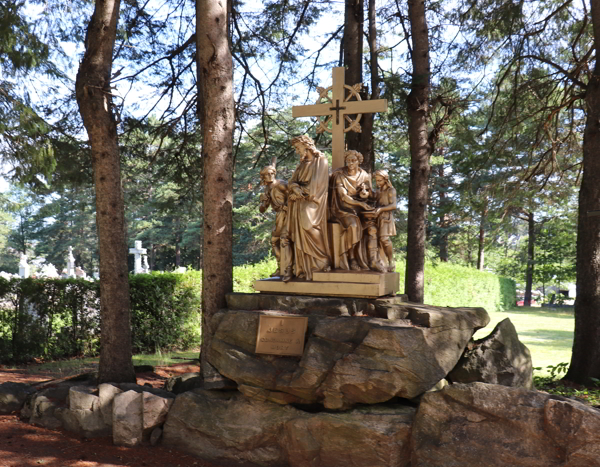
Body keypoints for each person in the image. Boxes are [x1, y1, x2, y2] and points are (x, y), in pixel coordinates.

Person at [283, 135, 331, 282]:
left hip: (314, 202)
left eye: (298, 148)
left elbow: (316, 186)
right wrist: (295, 188)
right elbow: (291, 182)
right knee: (299, 232)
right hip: (299, 203)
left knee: (309, 227)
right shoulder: (302, 164)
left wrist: (299, 192)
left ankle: (321, 260)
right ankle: (304, 268)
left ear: (306, 145)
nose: (297, 151)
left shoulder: (321, 161)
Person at [329, 150, 374, 270]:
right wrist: (361, 204)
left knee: (373, 226)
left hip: (360, 208)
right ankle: (351, 258)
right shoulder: (340, 175)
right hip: (343, 208)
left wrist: (365, 194)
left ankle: (372, 260)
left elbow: (369, 193)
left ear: (359, 161)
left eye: (353, 160)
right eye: (348, 160)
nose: (350, 163)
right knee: (353, 226)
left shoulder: (364, 175)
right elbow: (343, 196)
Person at [258, 161, 290, 277]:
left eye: (272, 173)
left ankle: (288, 267)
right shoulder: (267, 189)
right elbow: (262, 210)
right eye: (267, 174)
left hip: (288, 215)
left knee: (284, 239)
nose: (270, 176)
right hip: (279, 216)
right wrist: (263, 201)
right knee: (274, 241)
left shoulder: (281, 184)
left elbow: (293, 197)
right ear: (263, 176)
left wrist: (287, 206)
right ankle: (281, 265)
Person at [373, 169, 397, 272]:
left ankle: (391, 260)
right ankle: (380, 261)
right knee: (376, 240)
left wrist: (381, 209)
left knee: (384, 239)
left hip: (385, 217)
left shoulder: (391, 190)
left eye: (380, 180)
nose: (378, 183)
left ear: (385, 179)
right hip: (377, 217)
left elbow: (394, 205)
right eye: (377, 181)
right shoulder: (378, 191)